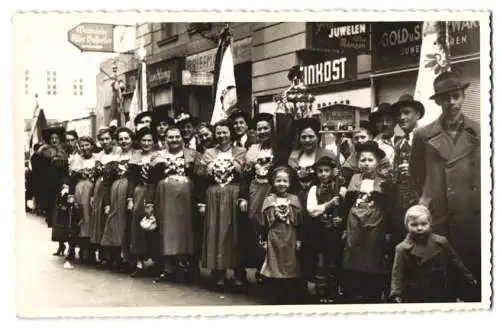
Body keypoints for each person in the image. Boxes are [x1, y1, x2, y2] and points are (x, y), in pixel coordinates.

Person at [410, 71, 481, 298]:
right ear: (438, 101)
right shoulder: (423, 135)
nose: (452, 103)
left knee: (473, 283)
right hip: (440, 218)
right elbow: (416, 174)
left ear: (463, 97)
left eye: (456, 96)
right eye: (446, 98)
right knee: (441, 285)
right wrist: (428, 200)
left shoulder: (481, 131)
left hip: (473, 217)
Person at [390, 205, 478, 303]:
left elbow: (457, 264)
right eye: (414, 225)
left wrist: (469, 280)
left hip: (442, 294)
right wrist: (396, 294)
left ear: (430, 224)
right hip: (416, 296)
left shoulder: (441, 243)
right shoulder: (402, 249)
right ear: (407, 226)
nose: (419, 228)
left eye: (424, 224)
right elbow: (397, 275)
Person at [145, 126, 200, 282]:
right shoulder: (157, 156)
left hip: (187, 197)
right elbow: (151, 181)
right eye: (170, 137)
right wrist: (149, 202)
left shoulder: (192, 155)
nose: (174, 140)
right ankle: (168, 267)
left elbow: (199, 178)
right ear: (165, 139)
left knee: (187, 230)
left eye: (177, 137)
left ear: (182, 138)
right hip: (165, 197)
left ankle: (188, 267)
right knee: (167, 230)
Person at [196, 120, 246, 289]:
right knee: (215, 232)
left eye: (225, 132)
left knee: (235, 233)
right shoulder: (209, 152)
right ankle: (219, 272)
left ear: (231, 133)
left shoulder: (241, 151)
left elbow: (244, 175)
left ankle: (239, 272)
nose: (222, 136)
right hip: (214, 195)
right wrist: (207, 168)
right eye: (218, 133)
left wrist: (234, 164)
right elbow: (201, 177)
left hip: (233, 194)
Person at [341, 141, 393, 303]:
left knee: (372, 252)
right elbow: (348, 201)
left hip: (375, 220)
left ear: (377, 162)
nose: (366, 164)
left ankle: (373, 291)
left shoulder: (382, 179)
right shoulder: (356, 178)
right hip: (355, 219)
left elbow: (387, 205)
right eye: (363, 160)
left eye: (370, 160)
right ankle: (354, 290)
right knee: (353, 251)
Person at [288, 117, 337, 282]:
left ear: (318, 137)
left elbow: (335, 179)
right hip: (297, 203)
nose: (307, 140)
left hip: (319, 203)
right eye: (304, 137)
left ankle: (320, 281)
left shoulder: (327, 154)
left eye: (311, 136)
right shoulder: (294, 155)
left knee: (317, 244)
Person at [239, 113, 276, 284]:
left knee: (273, 227)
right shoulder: (253, 149)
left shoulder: (279, 148)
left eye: (266, 128)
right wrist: (243, 197)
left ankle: (273, 270)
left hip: (273, 191)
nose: (262, 132)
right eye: (259, 129)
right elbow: (246, 177)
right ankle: (261, 268)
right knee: (256, 228)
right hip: (255, 191)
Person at [259, 165, 303, 304]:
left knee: (289, 263)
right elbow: (263, 223)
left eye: (285, 181)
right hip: (274, 236)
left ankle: (289, 294)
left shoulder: (294, 200)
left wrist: (299, 240)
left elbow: (300, 222)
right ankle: (276, 294)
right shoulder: (268, 200)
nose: (281, 184)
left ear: (290, 183)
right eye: (278, 181)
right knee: (274, 263)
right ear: (273, 182)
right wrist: (263, 239)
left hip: (290, 236)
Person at [306, 156, 346, 302]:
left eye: (327, 171)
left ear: (333, 172)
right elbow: (312, 210)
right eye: (320, 171)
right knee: (320, 262)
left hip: (334, 230)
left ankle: (333, 292)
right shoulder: (314, 188)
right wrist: (328, 204)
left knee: (334, 262)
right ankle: (321, 292)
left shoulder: (340, 187)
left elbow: (345, 206)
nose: (323, 174)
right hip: (319, 230)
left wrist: (340, 218)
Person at [390, 94, 424, 246]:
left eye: (406, 112)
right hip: (400, 207)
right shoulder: (398, 144)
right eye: (399, 114)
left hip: (422, 202)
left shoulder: (426, 139)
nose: (402, 117)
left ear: (417, 114)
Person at [101, 127, 134, 271]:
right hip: (115, 192)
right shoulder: (115, 156)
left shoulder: (136, 154)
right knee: (115, 222)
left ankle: (129, 258)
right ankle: (116, 257)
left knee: (128, 222)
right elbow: (107, 182)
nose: (123, 141)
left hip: (129, 191)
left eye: (126, 138)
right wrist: (107, 202)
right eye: (120, 139)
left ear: (132, 139)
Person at [127, 127, 158, 277]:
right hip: (140, 192)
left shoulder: (159, 155)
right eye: (144, 140)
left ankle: (157, 261)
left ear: (154, 141)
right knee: (138, 225)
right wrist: (130, 198)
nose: (146, 143)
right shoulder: (136, 156)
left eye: (149, 140)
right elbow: (132, 180)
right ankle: (139, 262)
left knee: (155, 224)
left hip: (156, 192)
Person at [89, 128, 121, 265]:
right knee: (100, 219)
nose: (104, 142)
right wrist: (92, 194)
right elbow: (95, 175)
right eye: (102, 139)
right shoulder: (99, 155)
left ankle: (116, 255)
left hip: (114, 188)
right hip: (99, 188)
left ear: (112, 139)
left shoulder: (119, 152)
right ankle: (104, 255)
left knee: (112, 218)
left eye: (107, 138)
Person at [68, 136, 97, 264]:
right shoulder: (76, 160)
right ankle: (83, 250)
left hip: (93, 191)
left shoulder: (97, 158)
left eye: (87, 145)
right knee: (82, 219)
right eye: (82, 145)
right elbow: (72, 179)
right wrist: (70, 195)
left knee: (92, 219)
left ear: (92, 145)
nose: (85, 148)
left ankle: (92, 250)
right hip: (80, 190)